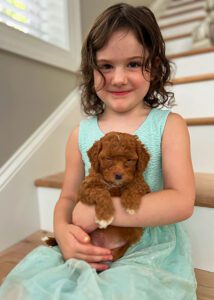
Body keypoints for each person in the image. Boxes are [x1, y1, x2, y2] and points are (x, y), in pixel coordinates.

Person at [0, 3, 197, 299]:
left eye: (133, 64)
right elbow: (68, 197)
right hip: (90, 243)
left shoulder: (168, 126)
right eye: (106, 65)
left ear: (154, 67)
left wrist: (104, 213)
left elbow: (182, 201)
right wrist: (63, 234)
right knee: (34, 288)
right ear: (91, 70)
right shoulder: (81, 134)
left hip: (146, 246)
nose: (118, 78)